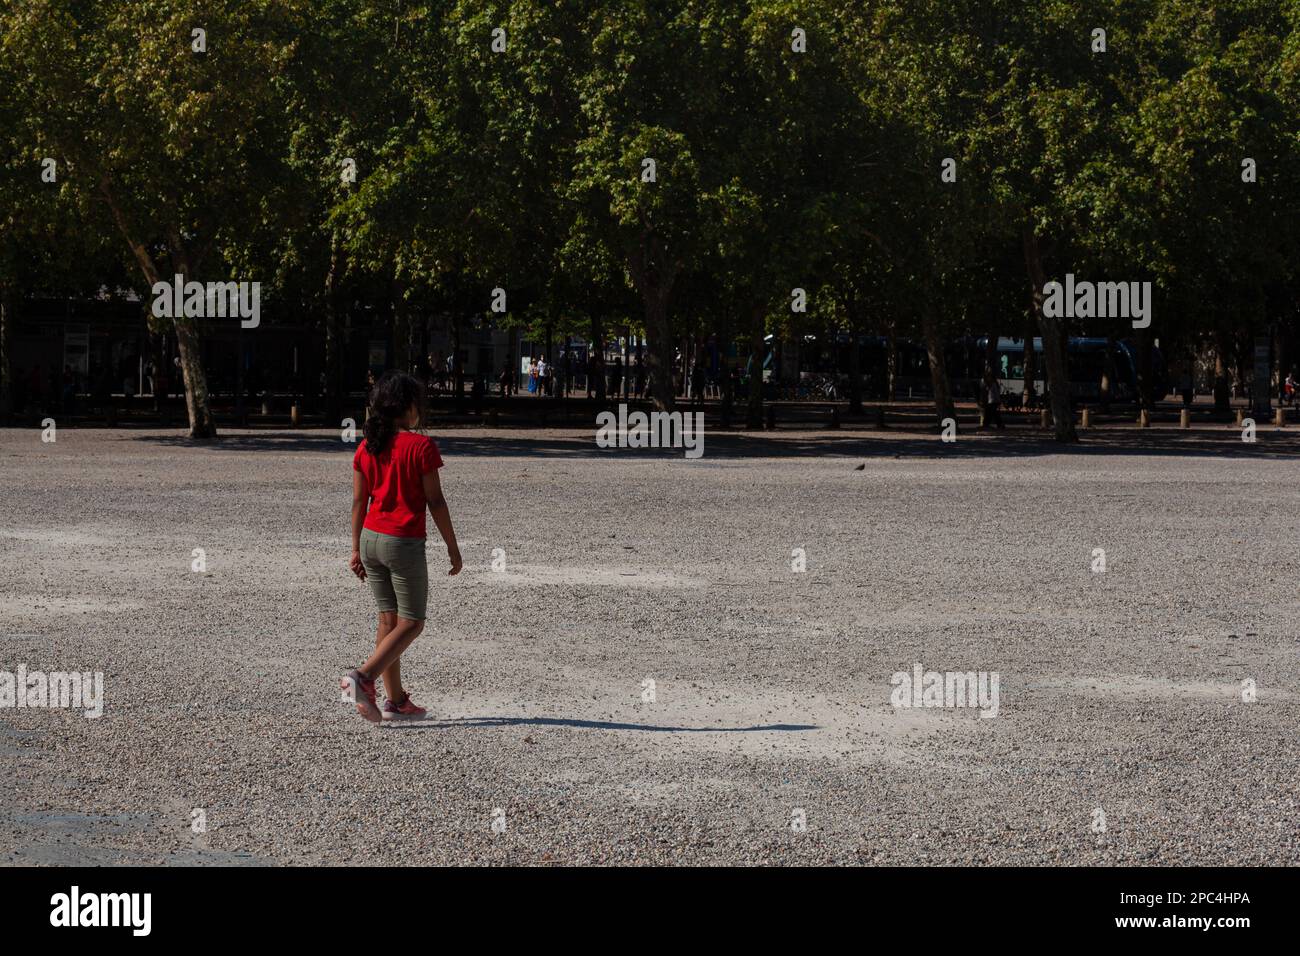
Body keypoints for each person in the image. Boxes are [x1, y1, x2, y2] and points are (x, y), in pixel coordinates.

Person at [343, 371, 462, 723]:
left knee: (388, 620)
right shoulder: (421, 447)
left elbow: (358, 501)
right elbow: (435, 501)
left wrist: (354, 549)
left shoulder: (367, 446)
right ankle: (362, 677)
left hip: (370, 539)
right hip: (402, 542)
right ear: (409, 407)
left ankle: (395, 700)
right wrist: (453, 548)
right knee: (412, 623)